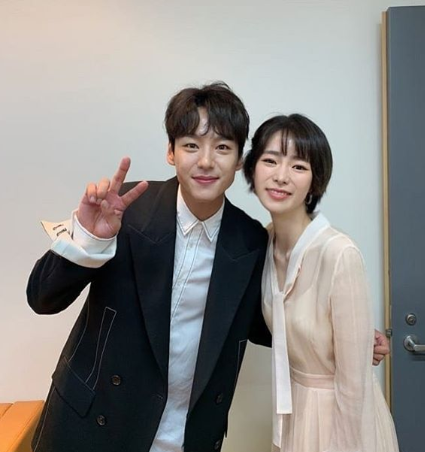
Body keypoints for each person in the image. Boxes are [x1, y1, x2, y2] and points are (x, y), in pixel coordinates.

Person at [27, 83, 389, 452]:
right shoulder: (124, 209)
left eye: (222, 147)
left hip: (186, 436)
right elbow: (41, 298)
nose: (205, 161)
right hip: (92, 428)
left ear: (239, 160)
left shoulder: (249, 241)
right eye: (191, 145)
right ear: (171, 152)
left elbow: (265, 322)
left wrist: (347, 335)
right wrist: (89, 238)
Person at [243, 114, 399, 452]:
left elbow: (355, 388)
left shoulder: (339, 254)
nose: (281, 176)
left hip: (341, 421)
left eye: (299, 166)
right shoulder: (263, 243)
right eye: (270, 160)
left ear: (315, 182)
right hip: (294, 414)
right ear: (252, 168)